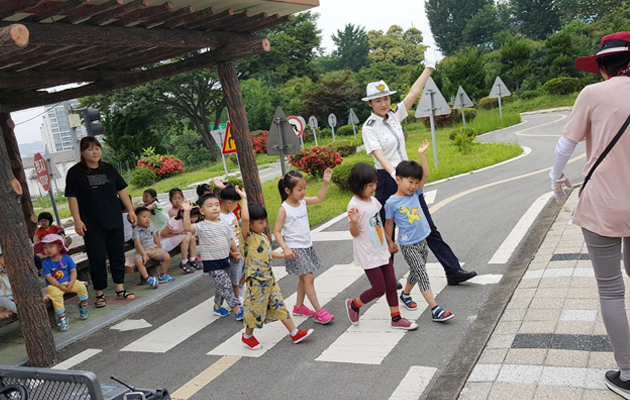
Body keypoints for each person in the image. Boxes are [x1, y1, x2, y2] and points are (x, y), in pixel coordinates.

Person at [549, 32, 630, 399]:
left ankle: (627, 373)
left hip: (603, 205)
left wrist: (556, 178)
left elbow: (565, 145)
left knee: (611, 289)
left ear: (602, 67)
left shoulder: (593, 94)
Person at [360, 49, 476, 286]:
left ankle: (453, 270)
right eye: (378, 100)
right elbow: (379, 154)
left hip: (406, 177)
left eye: (386, 99)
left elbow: (414, 92)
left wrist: (429, 68)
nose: (383, 103)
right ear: (370, 103)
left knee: (426, 224)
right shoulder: (369, 127)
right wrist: (394, 174)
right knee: (388, 229)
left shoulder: (394, 115)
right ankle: (387, 278)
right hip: (387, 180)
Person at [235, 186, 314, 350]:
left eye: (264, 221)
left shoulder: (262, 237)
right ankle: (247, 336)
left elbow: (268, 254)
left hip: (269, 279)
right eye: (260, 222)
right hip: (256, 281)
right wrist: (244, 198)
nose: (264, 225)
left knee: (279, 305)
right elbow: (245, 219)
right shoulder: (246, 238)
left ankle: (294, 333)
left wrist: (284, 255)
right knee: (255, 309)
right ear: (250, 225)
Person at [384, 143, 453, 322]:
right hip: (408, 245)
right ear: (398, 180)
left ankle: (405, 295)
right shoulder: (391, 203)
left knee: (416, 271)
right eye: (410, 182)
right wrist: (389, 241)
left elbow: (426, 174)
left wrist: (422, 155)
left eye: (416, 183)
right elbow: (389, 224)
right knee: (422, 273)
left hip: (423, 240)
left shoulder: (415, 194)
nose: (413, 186)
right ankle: (435, 309)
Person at [344, 163, 417, 330]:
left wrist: (389, 241)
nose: (374, 188)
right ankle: (354, 304)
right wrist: (354, 221)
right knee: (379, 289)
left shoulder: (374, 201)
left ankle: (396, 318)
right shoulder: (354, 205)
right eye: (370, 185)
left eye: (375, 184)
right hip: (367, 253)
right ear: (358, 184)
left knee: (391, 285)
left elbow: (378, 224)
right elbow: (354, 233)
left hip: (381, 250)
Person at [65, 137, 136, 308]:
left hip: (114, 220)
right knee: (97, 258)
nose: (95, 152)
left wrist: (131, 210)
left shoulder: (109, 169)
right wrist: (77, 220)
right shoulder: (75, 172)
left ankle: (120, 289)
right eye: (90, 149)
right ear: (82, 152)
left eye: (97, 148)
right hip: (91, 224)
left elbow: (122, 190)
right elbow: (72, 197)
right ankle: (99, 294)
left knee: (117, 255)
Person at [273, 170, 335, 324]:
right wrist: (285, 248)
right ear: (288, 190)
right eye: (299, 189)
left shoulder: (303, 202)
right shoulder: (284, 209)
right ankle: (319, 311)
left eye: (304, 188)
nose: (303, 192)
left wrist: (325, 182)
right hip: (295, 248)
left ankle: (299, 306)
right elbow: (277, 231)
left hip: (306, 246)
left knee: (303, 277)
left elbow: (319, 198)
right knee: (308, 277)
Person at [182, 195, 243, 320]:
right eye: (210, 206)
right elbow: (187, 227)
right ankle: (237, 310)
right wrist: (187, 211)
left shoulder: (223, 224)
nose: (214, 208)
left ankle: (217, 307)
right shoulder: (201, 226)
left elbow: (231, 239)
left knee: (221, 286)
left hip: (224, 260)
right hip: (212, 263)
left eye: (216, 205)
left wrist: (236, 252)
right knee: (226, 286)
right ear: (202, 211)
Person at [35, 234, 89, 331]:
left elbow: (73, 271)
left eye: (51, 246)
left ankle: (83, 305)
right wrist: (59, 286)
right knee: (54, 295)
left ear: (59, 247)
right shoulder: (45, 262)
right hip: (54, 285)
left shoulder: (66, 258)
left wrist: (71, 282)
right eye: (45, 247)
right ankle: (62, 317)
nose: (48, 249)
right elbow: (49, 277)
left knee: (81, 287)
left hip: (69, 282)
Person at [132, 207, 175, 288]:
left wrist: (160, 248)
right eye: (144, 217)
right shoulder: (136, 231)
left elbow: (156, 239)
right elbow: (138, 244)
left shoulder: (151, 227)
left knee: (167, 256)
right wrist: (144, 255)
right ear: (137, 218)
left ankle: (163, 275)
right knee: (138, 261)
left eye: (149, 217)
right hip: (141, 250)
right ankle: (148, 279)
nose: (147, 219)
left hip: (153, 248)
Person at [218, 185, 245, 305]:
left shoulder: (230, 212)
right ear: (229, 203)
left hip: (239, 246)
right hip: (233, 250)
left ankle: (240, 292)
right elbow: (223, 239)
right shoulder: (220, 218)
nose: (237, 206)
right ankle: (237, 299)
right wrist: (233, 253)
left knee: (246, 269)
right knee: (235, 277)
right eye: (236, 203)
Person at [159, 208, 201, 273]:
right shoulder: (175, 222)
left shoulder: (188, 223)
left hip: (177, 237)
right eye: (191, 217)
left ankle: (192, 259)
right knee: (186, 237)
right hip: (165, 240)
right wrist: (178, 234)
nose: (194, 219)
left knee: (192, 238)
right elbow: (163, 234)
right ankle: (184, 262)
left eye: (196, 217)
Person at [0, 245, 17, 314]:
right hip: (4, 297)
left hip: (16, 295)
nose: (7, 258)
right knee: (3, 300)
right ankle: (19, 310)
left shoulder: (12, 267)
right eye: (3, 257)